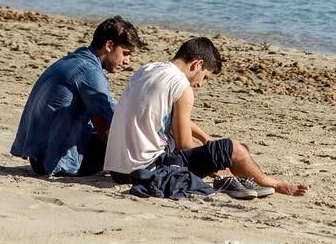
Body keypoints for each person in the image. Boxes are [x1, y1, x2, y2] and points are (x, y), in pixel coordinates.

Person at [104, 36, 309, 199]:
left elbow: (173, 119)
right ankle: (273, 183)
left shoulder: (148, 69)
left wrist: (205, 140)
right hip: (144, 170)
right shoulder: (182, 87)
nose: (201, 84)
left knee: (204, 146)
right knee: (235, 149)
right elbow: (184, 145)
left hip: (117, 169)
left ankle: (241, 175)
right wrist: (216, 159)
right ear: (197, 64)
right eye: (205, 77)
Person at [11, 16, 145, 177]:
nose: (127, 61)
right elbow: (115, 118)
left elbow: (101, 116)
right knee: (138, 148)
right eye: (125, 53)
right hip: (55, 161)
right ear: (109, 45)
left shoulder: (73, 60)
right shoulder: (90, 72)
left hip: (38, 157)